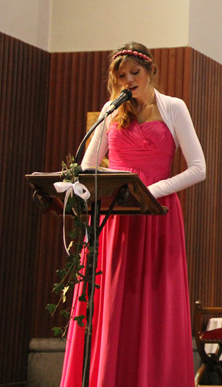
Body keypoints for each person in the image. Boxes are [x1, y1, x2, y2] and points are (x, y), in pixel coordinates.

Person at [61, 42, 206, 387]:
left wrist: (150, 190)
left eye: (134, 73)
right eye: (121, 76)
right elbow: (88, 166)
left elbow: (199, 168)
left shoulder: (173, 107)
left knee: (153, 300)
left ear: (151, 70)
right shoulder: (111, 110)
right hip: (114, 216)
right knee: (112, 300)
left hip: (156, 215)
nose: (128, 81)